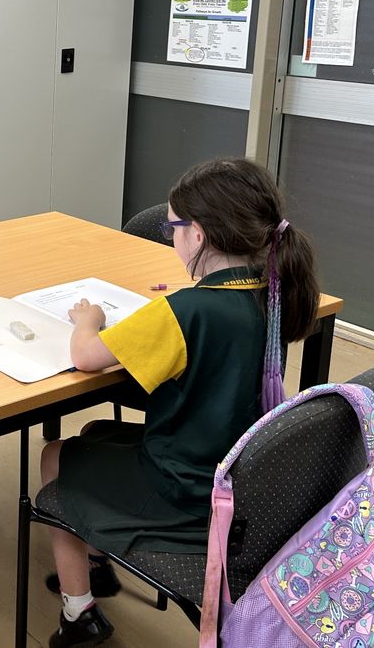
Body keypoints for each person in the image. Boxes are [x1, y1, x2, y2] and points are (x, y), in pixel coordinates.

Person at [38, 157, 320, 647]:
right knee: (95, 434)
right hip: (231, 474)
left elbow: (86, 357)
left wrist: (88, 319)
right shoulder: (273, 292)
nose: (170, 238)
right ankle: (98, 562)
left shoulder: (187, 310)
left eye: (172, 228)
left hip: (182, 489)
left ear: (200, 235)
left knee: (54, 456)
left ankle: (79, 612)